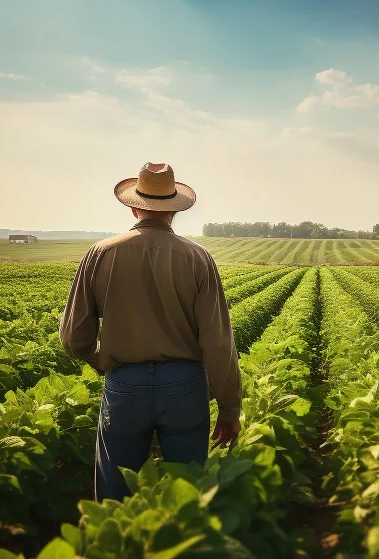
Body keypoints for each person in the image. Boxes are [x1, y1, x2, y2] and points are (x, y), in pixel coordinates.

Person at [59, 162, 242, 502]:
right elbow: (218, 342)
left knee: (115, 491)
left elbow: (73, 337)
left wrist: (100, 360)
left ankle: (116, 550)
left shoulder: (100, 253)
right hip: (185, 386)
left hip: (125, 383)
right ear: (174, 211)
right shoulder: (198, 258)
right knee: (187, 493)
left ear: (134, 206)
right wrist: (230, 408)